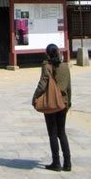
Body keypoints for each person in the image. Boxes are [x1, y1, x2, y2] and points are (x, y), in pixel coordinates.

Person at [32, 44, 72, 172]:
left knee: (53, 133)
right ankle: (67, 163)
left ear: (47, 54)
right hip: (63, 103)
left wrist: (35, 97)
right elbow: (69, 86)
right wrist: (68, 102)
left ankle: (56, 162)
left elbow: (42, 84)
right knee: (62, 133)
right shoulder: (65, 66)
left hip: (52, 102)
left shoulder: (47, 66)